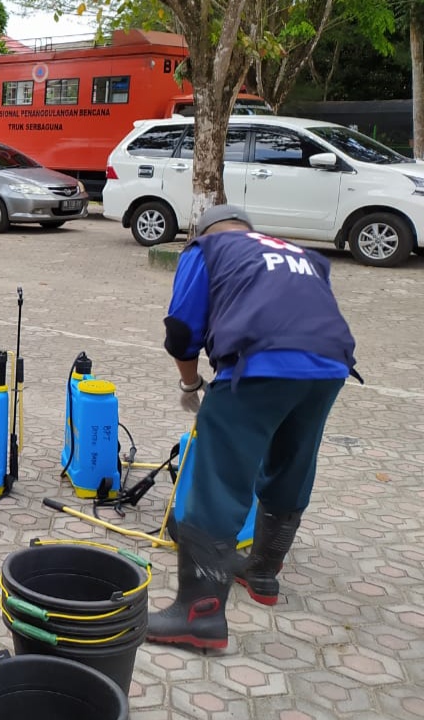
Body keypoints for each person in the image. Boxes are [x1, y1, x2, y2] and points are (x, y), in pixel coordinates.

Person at [149, 204, 358, 650]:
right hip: (329, 367)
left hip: (258, 366)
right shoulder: (303, 254)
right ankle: (262, 573)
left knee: (219, 478)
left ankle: (198, 616)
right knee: (292, 461)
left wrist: (191, 384)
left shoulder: (207, 248)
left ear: (199, 231)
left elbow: (182, 330)